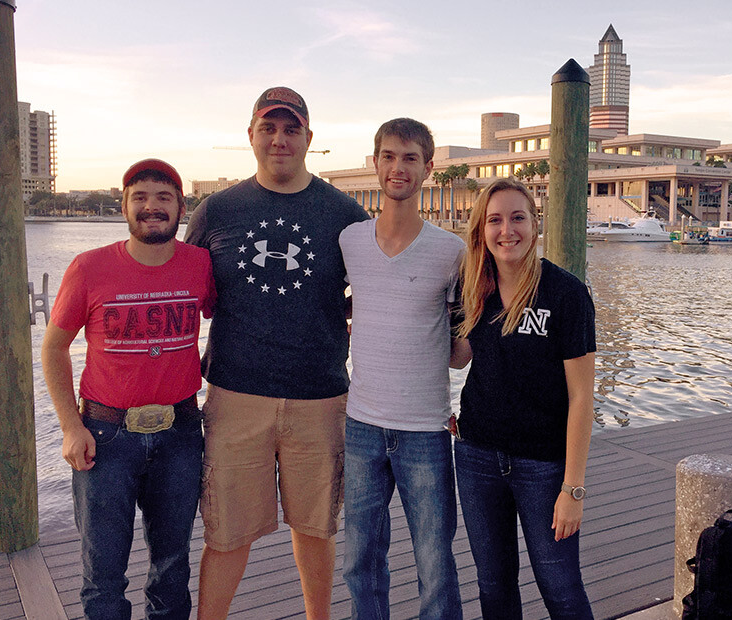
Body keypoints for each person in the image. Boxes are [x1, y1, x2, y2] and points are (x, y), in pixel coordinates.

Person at [184, 86, 368, 619]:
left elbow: (376, 290)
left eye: (291, 129)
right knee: (225, 532)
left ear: (309, 137)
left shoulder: (344, 212)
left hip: (320, 397)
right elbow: (183, 292)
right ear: (251, 136)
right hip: (235, 396)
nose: (279, 139)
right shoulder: (217, 210)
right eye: (269, 128)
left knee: (316, 528)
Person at [42, 159, 214, 619]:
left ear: (181, 206)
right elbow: (54, 349)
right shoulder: (89, 267)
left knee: (173, 566)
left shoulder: (200, 264)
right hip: (105, 437)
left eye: (163, 197)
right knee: (102, 575)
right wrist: (69, 427)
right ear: (124, 206)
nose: (151, 207)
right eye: (140, 197)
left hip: (180, 435)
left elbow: (238, 317)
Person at [451, 178, 597, 620]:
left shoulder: (565, 293)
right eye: (494, 220)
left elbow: (582, 396)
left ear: (536, 226)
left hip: (544, 466)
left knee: (561, 589)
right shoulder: (476, 287)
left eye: (518, 218)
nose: (506, 230)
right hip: (477, 455)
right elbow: (458, 358)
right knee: (493, 585)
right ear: (481, 231)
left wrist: (573, 487)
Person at [338, 118, 464, 619]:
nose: (398, 167)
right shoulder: (349, 241)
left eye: (410, 158)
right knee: (360, 562)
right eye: (389, 156)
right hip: (361, 426)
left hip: (426, 431)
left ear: (428, 168)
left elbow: (461, 344)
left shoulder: (452, 251)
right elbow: (337, 305)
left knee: (435, 564)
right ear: (376, 163)